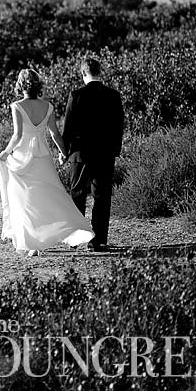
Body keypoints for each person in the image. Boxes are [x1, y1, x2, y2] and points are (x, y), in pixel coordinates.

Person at [0, 68, 94, 256]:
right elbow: (55, 134)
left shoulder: (17, 106)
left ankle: (32, 243)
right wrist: (65, 153)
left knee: (24, 200)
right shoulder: (48, 106)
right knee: (50, 196)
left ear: (21, 86)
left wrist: (6, 153)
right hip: (43, 157)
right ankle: (61, 230)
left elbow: (17, 136)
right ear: (37, 85)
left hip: (22, 158)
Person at [60, 57, 125, 251]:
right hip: (105, 153)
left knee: (77, 195)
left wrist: (65, 151)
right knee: (102, 197)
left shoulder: (76, 95)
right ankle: (99, 241)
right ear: (100, 72)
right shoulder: (113, 95)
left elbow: (68, 126)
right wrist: (115, 150)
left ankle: (76, 239)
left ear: (82, 73)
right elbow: (118, 126)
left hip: (80, 154)